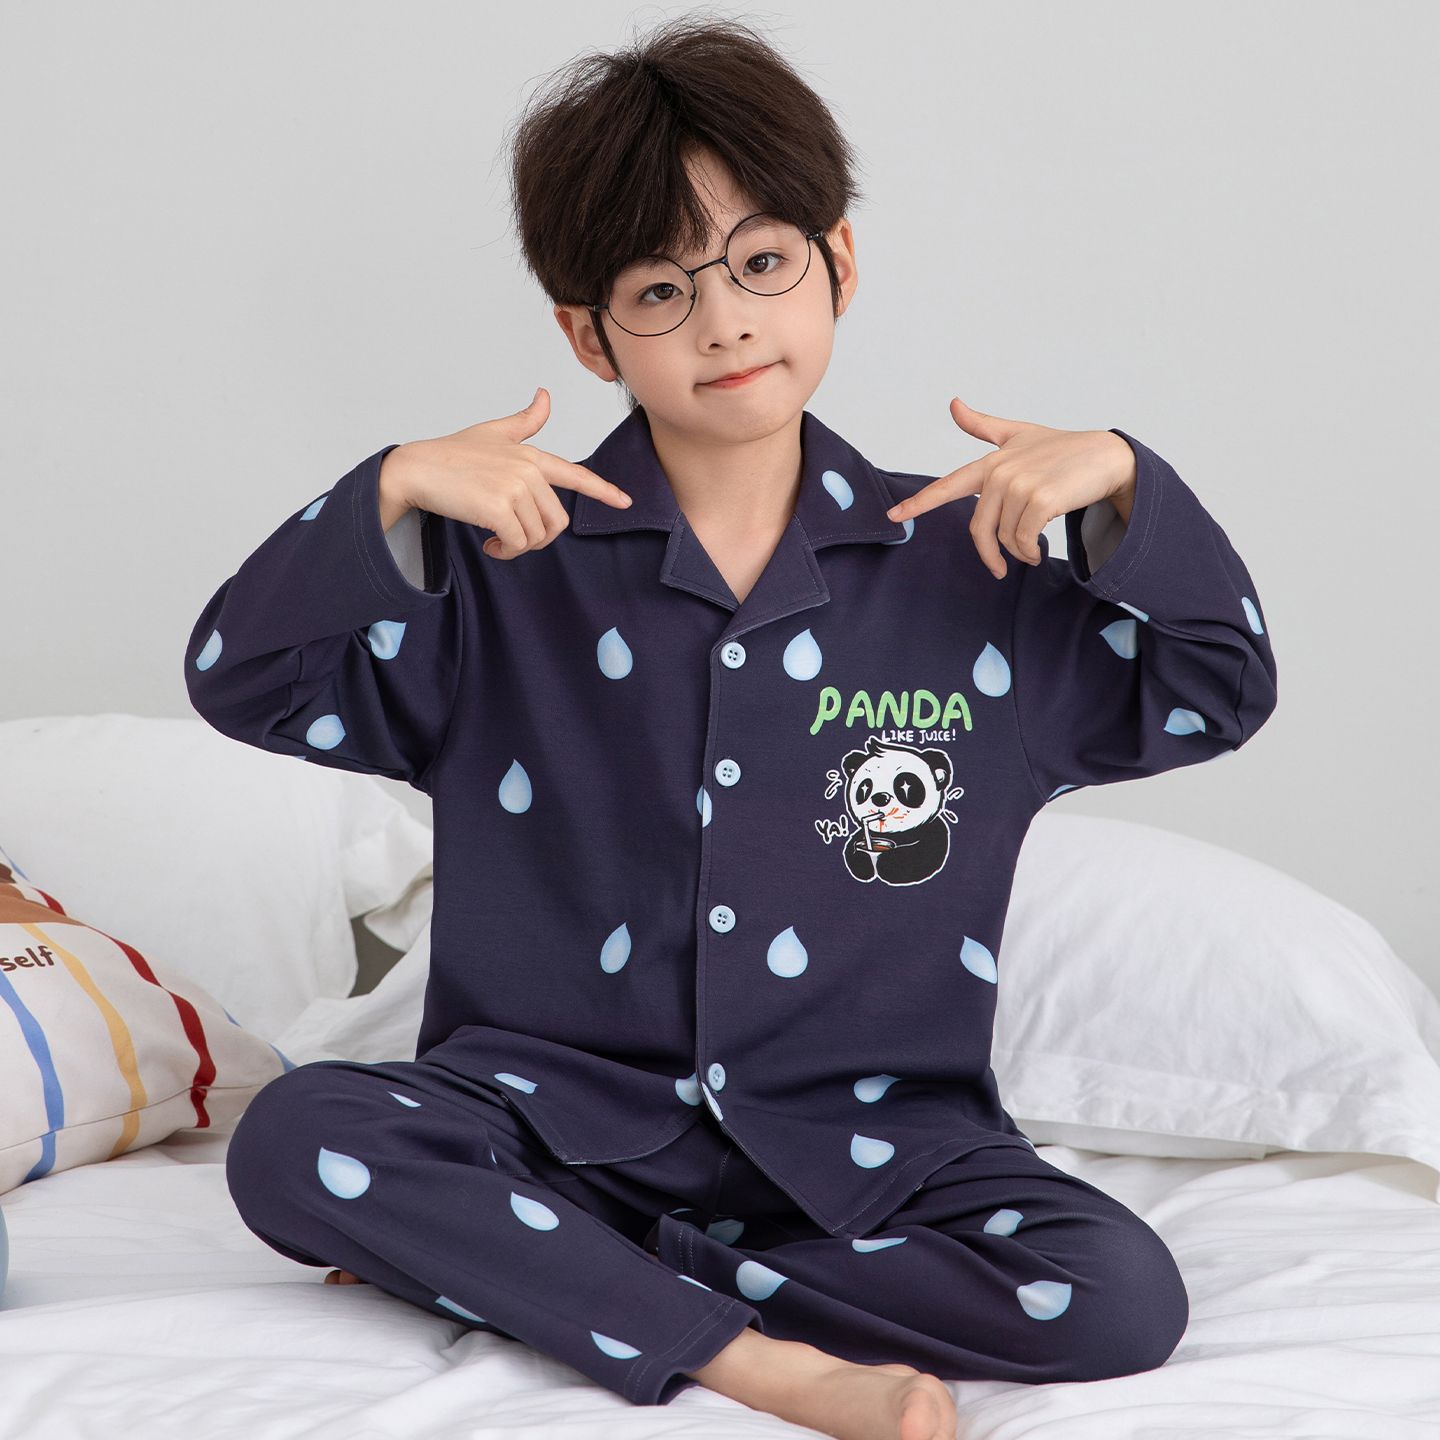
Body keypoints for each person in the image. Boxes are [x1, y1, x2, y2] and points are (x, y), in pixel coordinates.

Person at [189, 15, 1277, 1440]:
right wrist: (386, 490)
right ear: (588, 334)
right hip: (550, 1126)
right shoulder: (496, 572)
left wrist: (1130, 488)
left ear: (839, 262)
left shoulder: (973, 574)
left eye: (762, 263)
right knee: (298, 1136)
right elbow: (242, 675)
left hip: (873, 1148)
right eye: (660, 290)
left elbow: (1217, 685)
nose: (725, 322)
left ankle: (565, 1276)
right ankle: (752, 1361)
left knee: (1117, 1298)